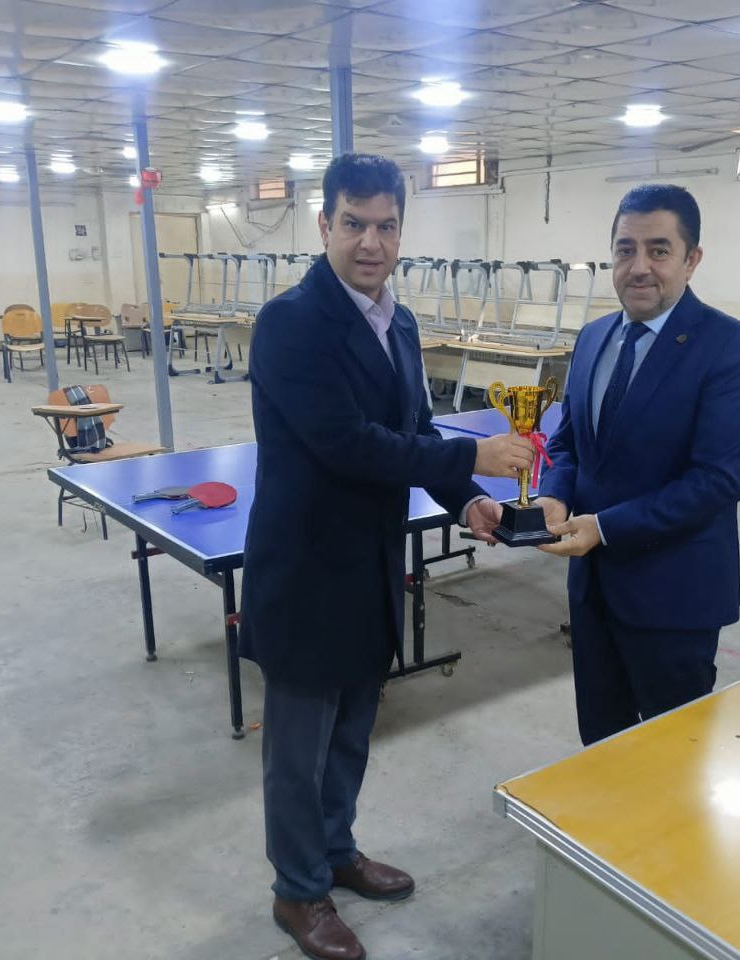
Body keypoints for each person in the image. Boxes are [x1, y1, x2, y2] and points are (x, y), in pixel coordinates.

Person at [240, 153, 533, 960]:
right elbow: (347, 444)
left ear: (401, 231)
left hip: (370, 567)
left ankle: (336, 851)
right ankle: (298, 890)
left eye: (386, 226)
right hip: (305, 571)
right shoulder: (291, 323)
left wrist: (463, 499)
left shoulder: (398, 323)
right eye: (354, 224)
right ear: (324, 225)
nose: (371, 242)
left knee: (351, 733)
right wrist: (472, 458)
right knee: (298, 751)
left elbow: (412, 433)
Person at [535, 184, 740, 746]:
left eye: (659, 250)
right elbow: (567, 440)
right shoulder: (593, 338)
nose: (639, 266)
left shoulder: (731, 347)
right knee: (601, 747)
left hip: (674, 599)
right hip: (592, 593)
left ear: (692, 260)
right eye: (625, 249)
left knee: (674, 760)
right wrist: (554, 494)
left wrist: (604, 527)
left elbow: (717, 480)